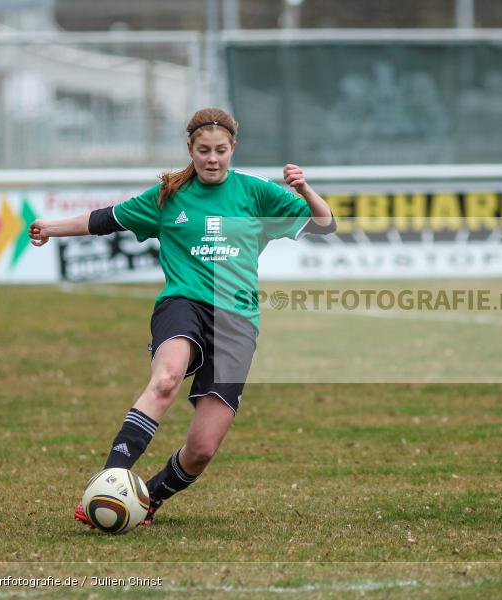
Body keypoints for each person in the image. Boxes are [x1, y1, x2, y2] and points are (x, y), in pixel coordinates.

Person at [28, 107, 336, 526]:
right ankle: (107, 481)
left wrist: (306, 190)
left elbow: (324, 225)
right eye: (204, 150)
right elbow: (106, 219)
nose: (212, 159)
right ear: (189, 149)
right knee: (167, 378)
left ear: (233, 149)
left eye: (221, 151)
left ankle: (145, 499)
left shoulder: (257, 192)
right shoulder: (167, 195)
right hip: (183, 304)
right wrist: (50, 228)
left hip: (237, 323)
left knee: (202, 449)